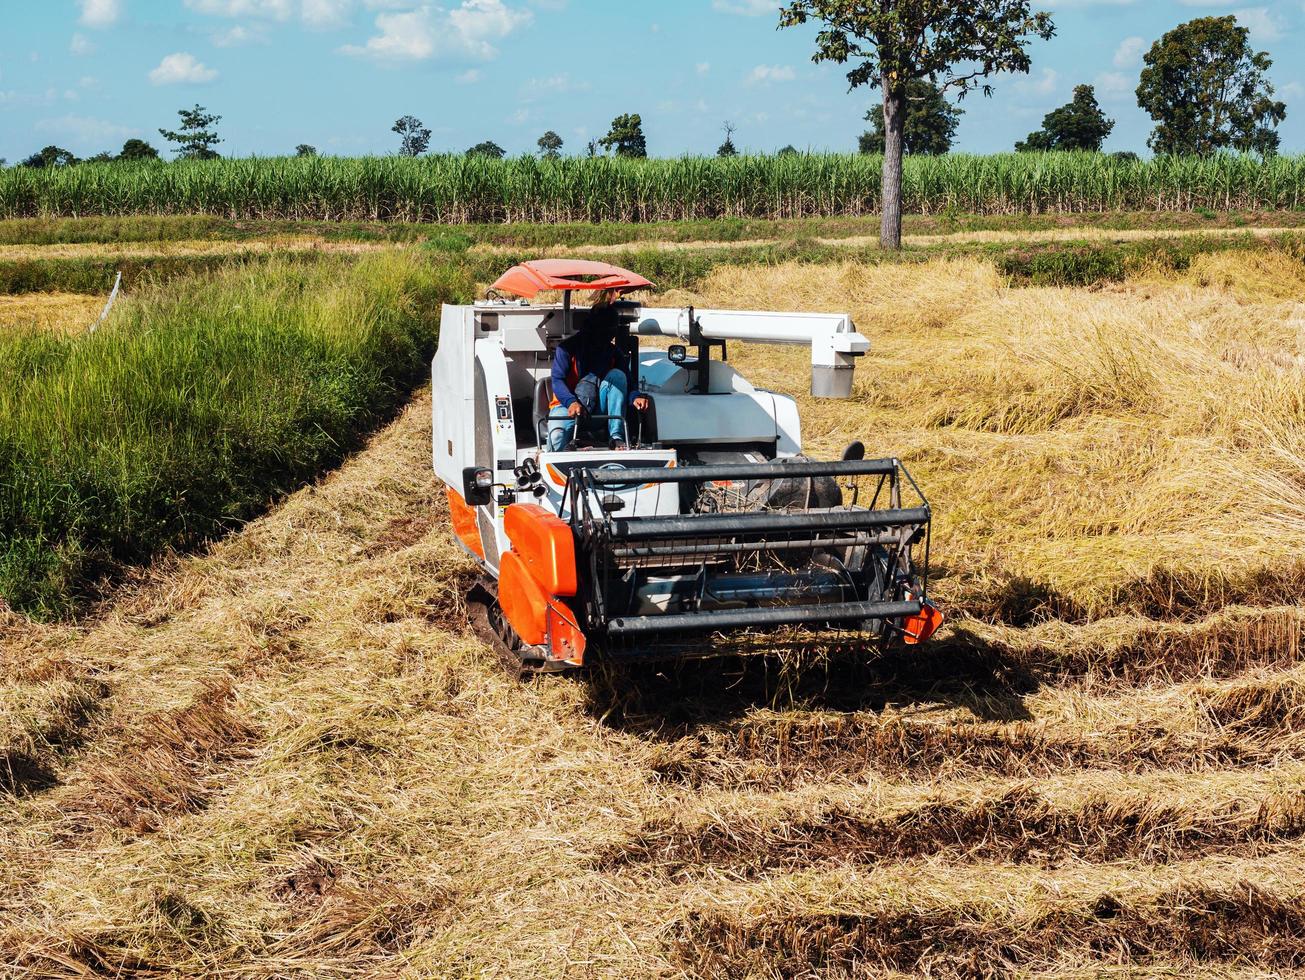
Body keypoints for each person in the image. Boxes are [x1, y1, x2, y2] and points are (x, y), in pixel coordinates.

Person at [547, 291, 650, 451]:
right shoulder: (566, 349)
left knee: (617, 376)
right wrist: (571, 402)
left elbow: (628, 383)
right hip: (566, 407)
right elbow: (557, 381)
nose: (609, 335)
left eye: (612, 330)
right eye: (605, 330)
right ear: (592, 328)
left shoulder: (613, 352)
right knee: (556, 436)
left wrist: (635, 397)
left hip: (598, 411)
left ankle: (616, 437)